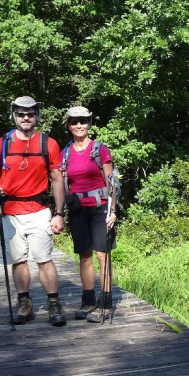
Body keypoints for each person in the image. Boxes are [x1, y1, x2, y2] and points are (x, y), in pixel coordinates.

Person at [0, 96, 68, 326]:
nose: (26, 117)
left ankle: (53, 304)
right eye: (21, 114)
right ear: (14, 116)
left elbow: (57, 180)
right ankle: (24, 303)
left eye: (30, 113)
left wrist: (59, 213)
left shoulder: (48, 143)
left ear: (37, 116)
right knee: (18, 259)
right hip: (10, 211)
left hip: (39, 209)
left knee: (44, 258)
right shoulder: (1, 144)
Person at [61, 106, 118, 323]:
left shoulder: (99, 149)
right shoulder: (64, 153)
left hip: (100, 206)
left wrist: (112, 210)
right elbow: (60, 182)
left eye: (83, 121)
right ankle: (88, 299)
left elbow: (112, 181)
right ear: (68, 125)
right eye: (75, 122)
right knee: (84, 255)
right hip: (78, 208)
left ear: (89, 124)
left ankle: (106, 302)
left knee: (102, 254)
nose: (79, 125)